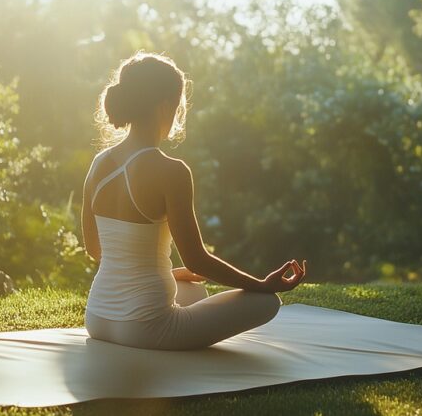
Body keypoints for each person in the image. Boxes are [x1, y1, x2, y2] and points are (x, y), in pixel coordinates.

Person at [81, 51, 307, 350]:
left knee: (191, 290)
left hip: (98, 319)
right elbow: (197, 259)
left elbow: (96, 250)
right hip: (149, 330)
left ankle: (163, 297)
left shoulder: (99, 164)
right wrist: (262, 285)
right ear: (165, 107)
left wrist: (171, 274)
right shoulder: (171, 171)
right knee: (267, 303)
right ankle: (260, 295)